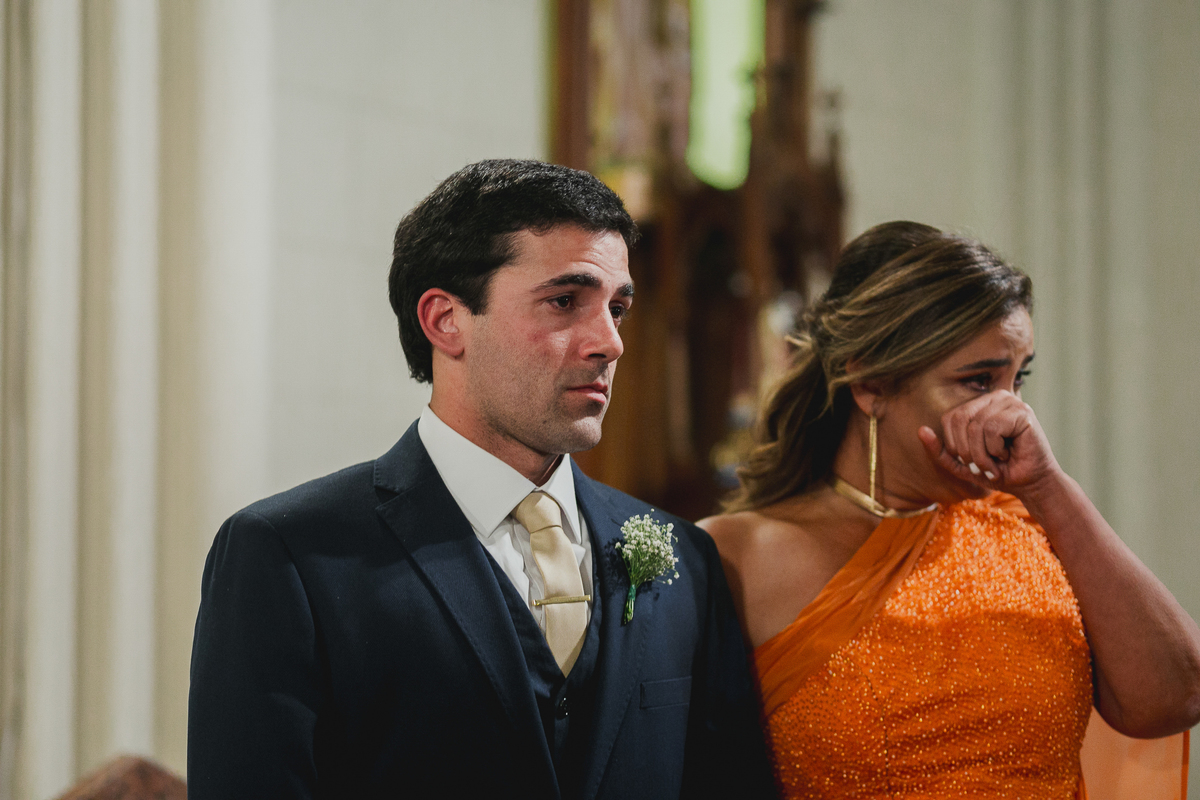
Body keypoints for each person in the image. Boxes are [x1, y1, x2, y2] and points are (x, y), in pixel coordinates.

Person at [187, 159, 775, 799]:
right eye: (564, 301)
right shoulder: (292, 557)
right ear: (445, 320)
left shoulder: (686, 560)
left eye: (618, 308)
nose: (611, 343)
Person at [700, 221, 1200, 798]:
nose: (1012, 416)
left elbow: (1176, 697)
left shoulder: (1031, 528)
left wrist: (1050, 489)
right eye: (978, 382)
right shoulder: (734, 555)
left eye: (1018, 379)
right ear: (870, 383)